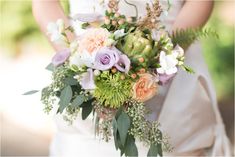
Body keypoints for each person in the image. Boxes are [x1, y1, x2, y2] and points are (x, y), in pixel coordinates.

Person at [32, 0, 231, 156]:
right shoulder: (83, 66)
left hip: (172, 69)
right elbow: (45, 3)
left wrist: (162, 59)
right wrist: (82, 64)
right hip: (87, 67)